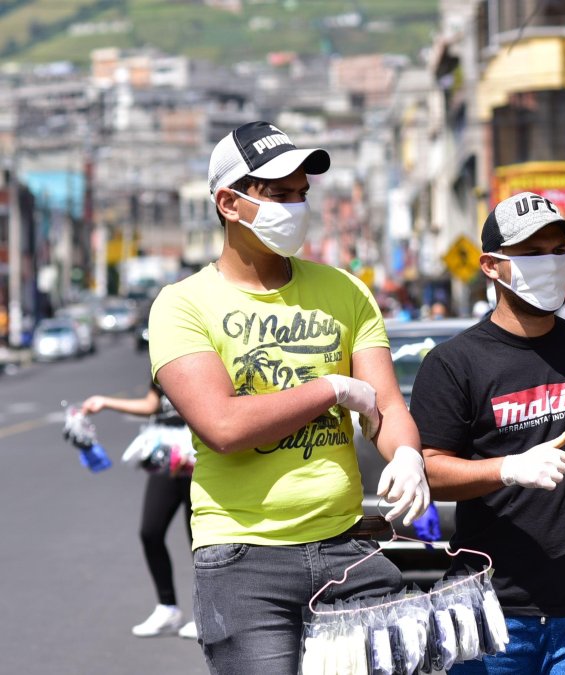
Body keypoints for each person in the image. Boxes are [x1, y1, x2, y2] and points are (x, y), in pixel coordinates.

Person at [148, 121, 430, 674]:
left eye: (302, 194)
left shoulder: (344, 290)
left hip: (348, 547)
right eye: (279, 195)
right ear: (229, 202)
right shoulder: (182, 304)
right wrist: (331, 388)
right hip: (243, 559)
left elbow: (388, 407)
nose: (296, 208)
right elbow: (224, 427)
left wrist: (406, 454)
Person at [408, 191, 565, 674]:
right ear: (491, 266)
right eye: (531, 253)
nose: (551, 263)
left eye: (558, 250)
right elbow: (429, 470)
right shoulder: (455, 362)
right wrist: (506, 469)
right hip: (489, 609)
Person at [82, 383, 198, 640]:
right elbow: (151, 405)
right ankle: (167, 607)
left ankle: (206, 612)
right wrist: (105, 401)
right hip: (167, 449)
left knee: (200, 541)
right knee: (150, 531)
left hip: (199, 447)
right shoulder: (160, 357)